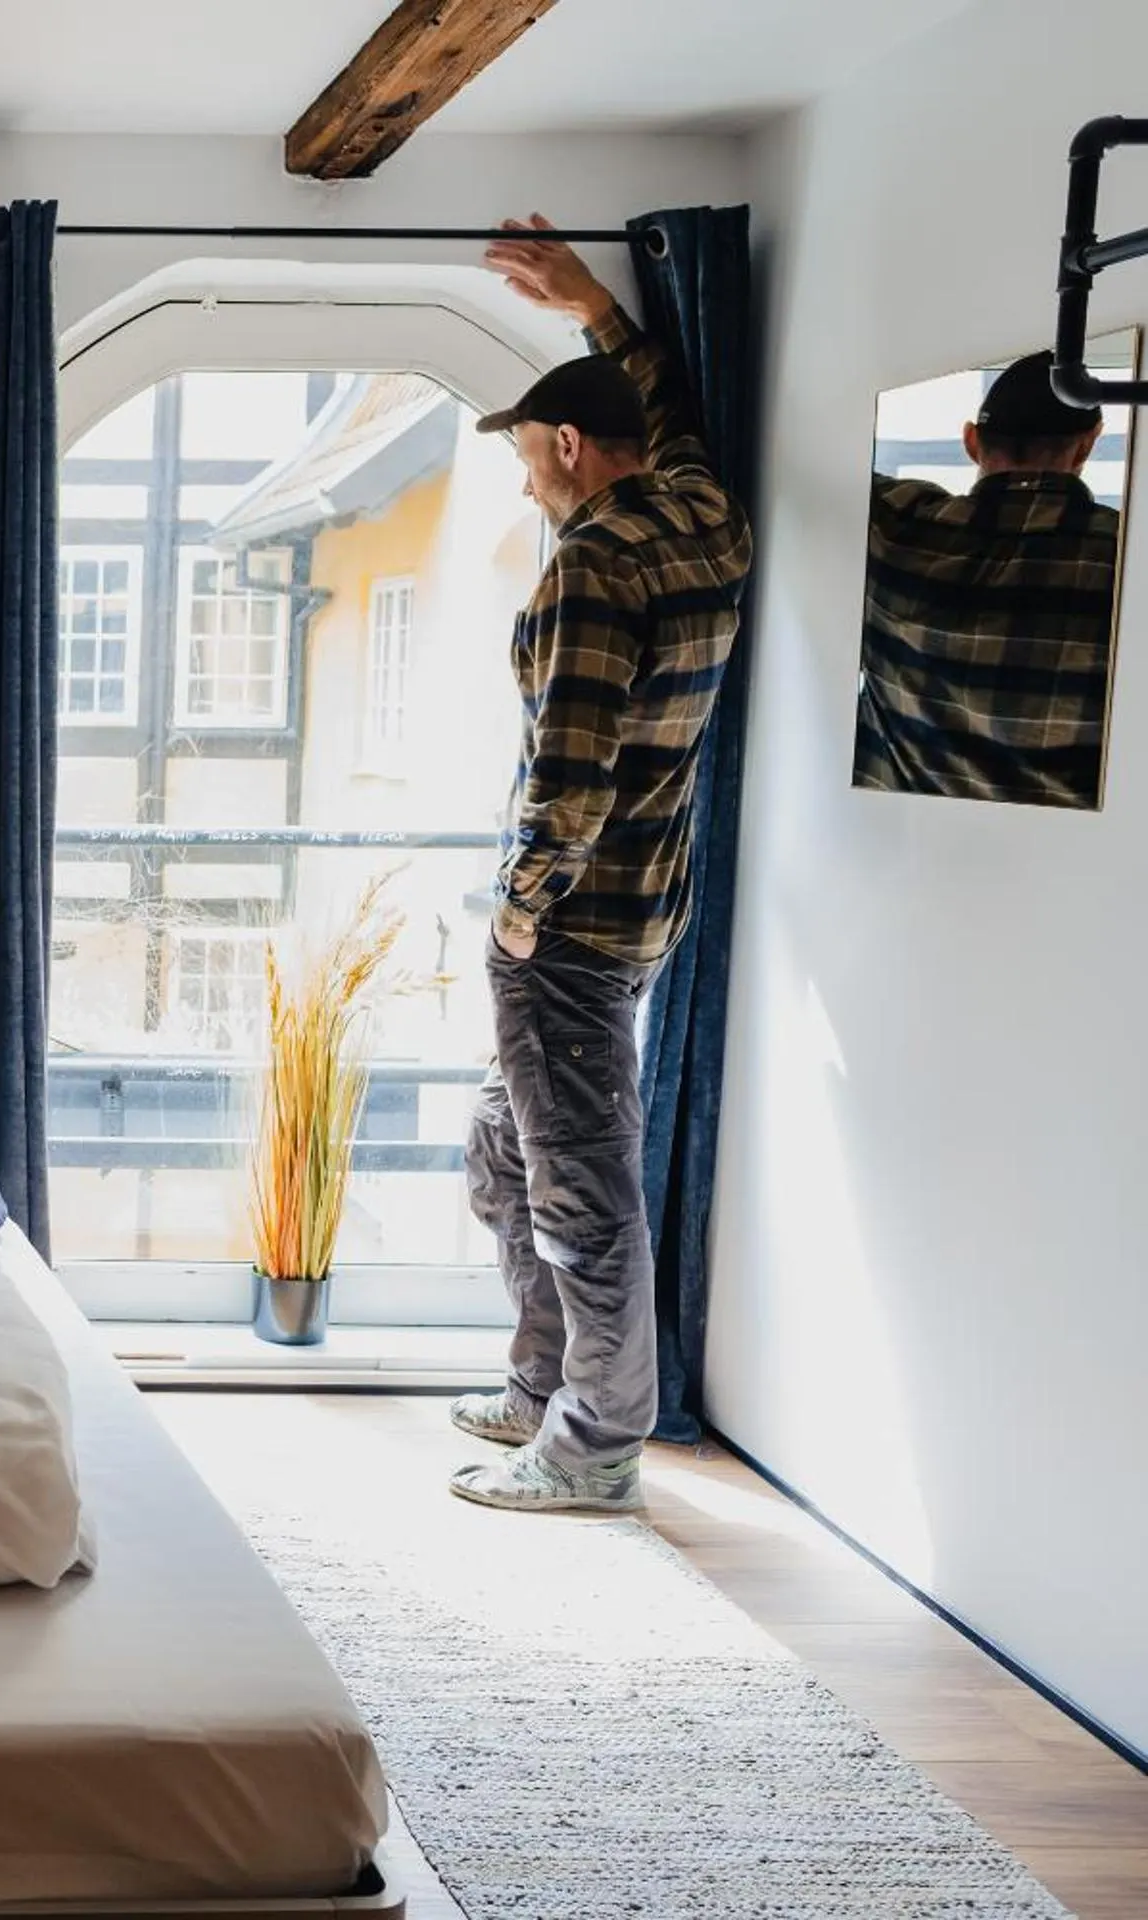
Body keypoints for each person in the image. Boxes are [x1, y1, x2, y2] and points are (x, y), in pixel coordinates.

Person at [443, 217, 753, 1514]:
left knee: (574, 1186)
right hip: (643, 913)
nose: (525, 486)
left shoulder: (595, 568)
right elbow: (668, 406)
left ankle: (596, 1442)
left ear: (571, 449)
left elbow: (569, 780)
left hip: (566, 935)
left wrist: (515, 921)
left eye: (527, 459)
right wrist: (592, 306)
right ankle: (540, 1380)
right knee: (503, 1152)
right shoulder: (698, 511)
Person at [854, 352, 1120, 809]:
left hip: (897, 851)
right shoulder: (1123, 559)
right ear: (1087, 445)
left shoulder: (892, 528)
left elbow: (822, 458)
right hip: (1075, 867)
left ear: (972, 441)